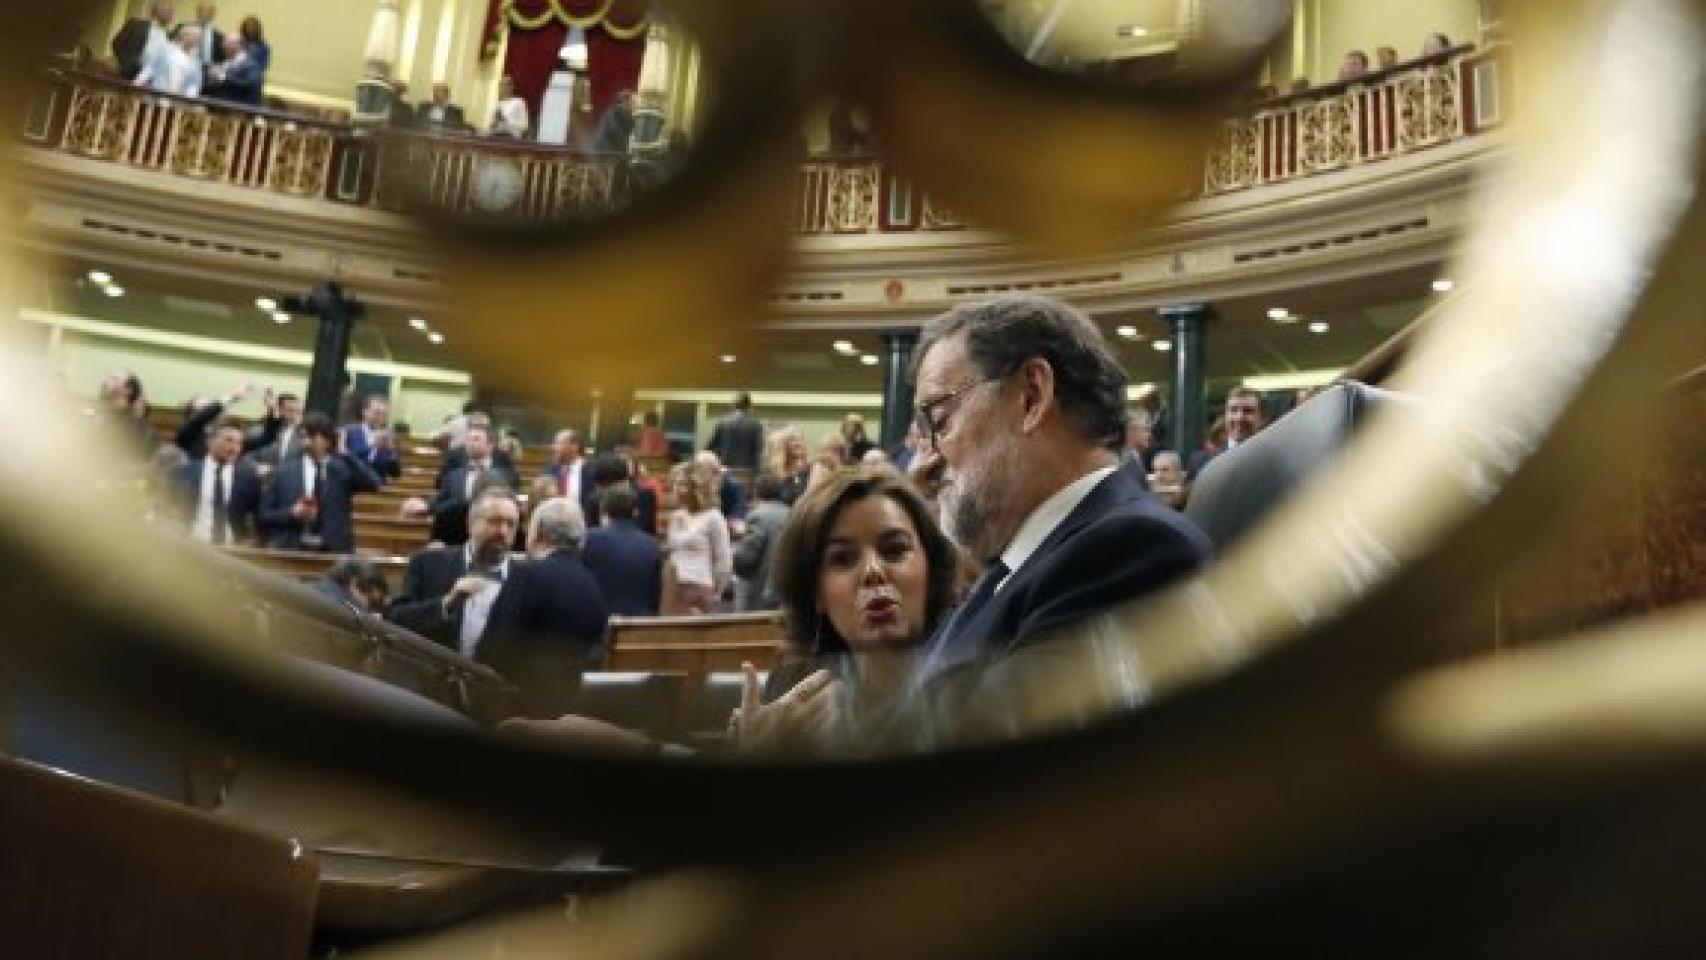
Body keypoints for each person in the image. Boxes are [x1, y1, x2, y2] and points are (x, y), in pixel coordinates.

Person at [902, 295, 1213, 745]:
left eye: (940, 419)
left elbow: (973, 771)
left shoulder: (1131, 551)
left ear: (1031, 396)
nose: (924, 460)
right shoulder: (1023, 561)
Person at [733, 466, 959, 755]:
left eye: (894, 549)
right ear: (816, 594)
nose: (873, 571)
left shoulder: (978, 679)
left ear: (930, 567)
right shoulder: (792, 691)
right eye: (842, 558)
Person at [482, 497, 610, 717]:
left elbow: (498, 646)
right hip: (571, 707)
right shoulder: (592, 582)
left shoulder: (527, 574)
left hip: (521, 707)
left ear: (538, 531)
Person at [387, 487, 520, 656]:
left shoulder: (527, 578)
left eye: (511, 524)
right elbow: (394, 619)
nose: (503, 531)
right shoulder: (428, 563)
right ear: (470, 524)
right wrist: (445, 604)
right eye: (494, 521)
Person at [259, 413, 382, 552]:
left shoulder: (342, 469)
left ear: (327, 440)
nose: (306, 442)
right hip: (292, 548)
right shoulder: (284, 470)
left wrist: (346, 454)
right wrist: (292, 513)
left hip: (334, 550)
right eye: (303, 437)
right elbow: (264, 514)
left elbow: (374, 484)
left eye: (312, 436)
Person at [431, 424, 521, 545]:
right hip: (457, 537)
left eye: (476, 439)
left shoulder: (506, 475)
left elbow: (513, 505)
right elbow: (438, 504)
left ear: (490, 446)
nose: (469, 443)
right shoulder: (454, 475)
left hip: (494, 536)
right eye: (468, 439)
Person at [176, 417, 261, 545]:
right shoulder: (186, 472)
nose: (234, 448)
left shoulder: (248, 477)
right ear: (210, 441)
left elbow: (257, 515)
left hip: (232, 552)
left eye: (239, 443)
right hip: (192, 547)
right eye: (229, 440)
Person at [582, 486, 662, 616]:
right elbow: (655, 593)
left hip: (599, 619)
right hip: (640, 622)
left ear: (604, 512)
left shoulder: (588, 538)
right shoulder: (652, 544)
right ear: (635, 512)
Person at [664, 461, 732, 614]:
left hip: (699, 587)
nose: (677, 489)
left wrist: (716, 592)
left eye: (682, 485)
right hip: (674, 587)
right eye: (675, 484)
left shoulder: (713, 517)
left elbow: (723, 560)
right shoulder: (676, 516)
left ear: (697, 488)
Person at [733, 473, 789, 612]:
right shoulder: (791, 512)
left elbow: (746, 559)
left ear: (756, 491)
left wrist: (735, 552)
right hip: (783, 591)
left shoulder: (758, 515)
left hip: (758, 592)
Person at [1188, 386, 1266, 475]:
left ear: (1261, 418)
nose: (1239, 417)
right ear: (1225, 416)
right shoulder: (1200, 462)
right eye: (1233, 410)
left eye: (1247, 411)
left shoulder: (1274, 460)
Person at [206, 17, 267, 106]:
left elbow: (249, 85)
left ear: (238, 45)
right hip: (218, 107)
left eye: (227, 43)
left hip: (239, 111)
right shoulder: (225, 63)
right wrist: (211, 80)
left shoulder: (252, 66)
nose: (223, 46)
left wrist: (223, 77)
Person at [342, 394, 401, 482]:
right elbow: (349, 459)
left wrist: (391, 452)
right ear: (365, 412)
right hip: (355, 485)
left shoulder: (388, 436)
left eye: (383, 414)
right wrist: (373, 444)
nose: (380, 417)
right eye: (377, 412)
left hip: (379, 487)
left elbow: (396, 473)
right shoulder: (350, 432)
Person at [136, 23, 203, 97]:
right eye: (193, 36)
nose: (195, 40)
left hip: (179, 99)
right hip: (157, 92)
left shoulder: (196, 63)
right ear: (183, 35)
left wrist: (189, 98)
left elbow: (194, 84)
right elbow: (150, 67)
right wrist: (139, 82)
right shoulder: (164, 49)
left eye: (198, 38)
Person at [540, 428, 595, 517]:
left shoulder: (591, 471)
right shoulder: (550, 469)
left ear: (574, 446)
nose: (553, 447)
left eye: (558, 443)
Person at [113, 2, 174, 81]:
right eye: (169, 12)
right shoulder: (136, 24)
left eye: (172, 13)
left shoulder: (167, 35)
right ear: (158, 12)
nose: (172, 17)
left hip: (150, 78)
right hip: (127, 74)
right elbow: (117, 43)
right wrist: (127, 64)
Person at [706, 391, 764, 471]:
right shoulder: (755, 425)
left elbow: (710, 447)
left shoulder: (722, 422)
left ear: (733, 405)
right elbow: (758, 450)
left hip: (724, 468)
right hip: (746, 470)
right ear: (749, 406)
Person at [314, 557, 389, 615]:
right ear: (354, 582)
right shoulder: (341, 606)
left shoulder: (319, 588)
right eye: (372, 602)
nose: (367, 605)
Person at [765, 425, 812, 505]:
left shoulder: (810, 469)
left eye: (801, 440)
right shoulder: (772, 474)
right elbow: (788, 497)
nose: (798, 443)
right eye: (792, 440)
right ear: (782, 445)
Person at [172, 3, 225, 68]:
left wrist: (217, 67)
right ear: (197, 12)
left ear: (213, 14)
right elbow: (171, 46)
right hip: (183, 67)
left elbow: (221, 58)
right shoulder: (182, 27)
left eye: (208, 12)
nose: (205, 14)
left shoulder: (219, 36)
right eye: (202, 11)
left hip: (208, 71)